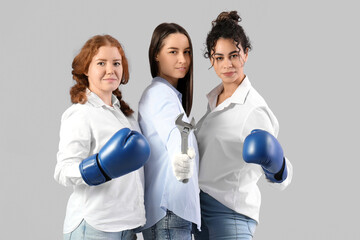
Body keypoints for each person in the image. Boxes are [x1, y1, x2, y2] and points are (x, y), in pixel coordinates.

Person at [193, 11, 293, 240]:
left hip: (230, 214)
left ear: (246, 54)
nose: (227, 64)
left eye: (234, 55)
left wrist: (278, 167)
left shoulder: (254, 109)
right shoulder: (213, 101)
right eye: (219, 57)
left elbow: (282, 179)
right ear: (211, 60)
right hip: (201, 213)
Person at [54, 34, 150, 240]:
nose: (110, 70)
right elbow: (62, 170)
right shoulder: (81, 113)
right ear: (86, 70)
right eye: (101, 63)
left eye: (116, 63)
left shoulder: (127, 116)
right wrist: (99, 167)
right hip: (95, 226)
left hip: (128, 226)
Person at [138, 23, 201, 239]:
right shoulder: (160, 95)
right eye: (173, 52)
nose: (182, 59)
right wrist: (179, 158)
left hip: (170, 215)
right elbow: (174, 134)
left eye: (186, 52)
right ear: (156, 54)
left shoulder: (169, 96)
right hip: (169, 214)